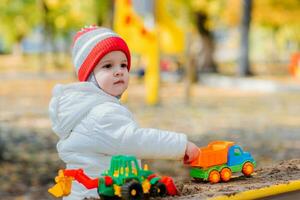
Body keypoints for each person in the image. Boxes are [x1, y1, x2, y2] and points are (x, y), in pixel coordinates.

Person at [49, 26, 199, 200]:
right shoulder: (103, 114)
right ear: (90, 76)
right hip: (97, 195)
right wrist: (180, 145)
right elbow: (136, 140)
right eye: (107, 66)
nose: (119, 70)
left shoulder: (89, 109)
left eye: (123, 64)